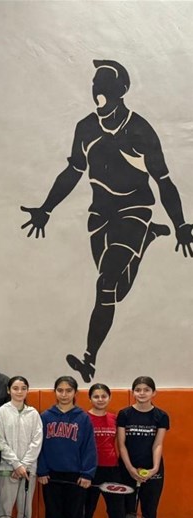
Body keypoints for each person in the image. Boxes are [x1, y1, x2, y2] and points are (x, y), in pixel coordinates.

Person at [21, 60, 192, 383]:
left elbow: (164, 180)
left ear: (121, 91)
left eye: (106, 88)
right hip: (100, 215)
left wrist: (181, 224)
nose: (99, 94)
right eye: (95, 87)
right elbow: (73, 171)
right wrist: (46, 208)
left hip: (134, 209)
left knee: (106, 283)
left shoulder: (140, 131)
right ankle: (147, 239)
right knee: (116, 291)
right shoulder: (85, 128)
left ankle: (89, 359)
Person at [37, 376, 98, 518]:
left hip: (75, 475)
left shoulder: (83, 418)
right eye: (60, 390)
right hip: (51, 475)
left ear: (75, 393)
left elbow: (89, 447)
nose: (64, 394)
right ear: (55, 392)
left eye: (68, 390)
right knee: (53, 513)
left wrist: (87, 473)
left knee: (74, 513)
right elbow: (39, 446)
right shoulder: (45, 417)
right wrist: (41, 470)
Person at [117, 376, 169, 518]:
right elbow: (121, 444)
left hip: (152, 470)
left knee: (149, 508)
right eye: (138, 390)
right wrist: (130, 468)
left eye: (146, 390)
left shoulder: (161, 416)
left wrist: (154, 468)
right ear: (133, 392)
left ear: (154, 393)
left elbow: (158, 444)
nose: (142, 393)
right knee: (129, 508)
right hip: (127, 468)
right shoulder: (124, 414)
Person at [0, 376, 43, 518]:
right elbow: (0, 441)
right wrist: (16, 464)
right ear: (9, 390)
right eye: (15, 388)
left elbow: (37, 441)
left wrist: (25, 465)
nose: (19, 391)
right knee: (5, 509)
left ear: (27, 390)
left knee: (25, 510)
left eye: (23, 388)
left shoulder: (33, 413)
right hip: (7, 469)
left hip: (28, 471)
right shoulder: (1, 412)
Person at [82, 383, 127, 518]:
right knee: (87, 509)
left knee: (117, 511)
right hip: (90, 470)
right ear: (90, 398)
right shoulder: (84, 418)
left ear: (109, 398)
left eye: (103, 396)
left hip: (112, 471)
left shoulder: (114, 418)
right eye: (96, 396)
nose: (100, 399)